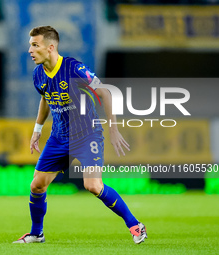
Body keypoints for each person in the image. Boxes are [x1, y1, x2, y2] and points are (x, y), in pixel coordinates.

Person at [13, 26, 147, 244]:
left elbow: (103, 91)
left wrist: (113, 128)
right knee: (37, 185)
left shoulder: (73, 68)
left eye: (35, 45)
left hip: (87, 135)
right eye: (30, 45)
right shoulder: (38, 74)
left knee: (93, 186)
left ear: (50, 47)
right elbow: (46, 98)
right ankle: (37, 233)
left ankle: (135, 225)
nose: (30, 50)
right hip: (59, 137)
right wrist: (37, 130)